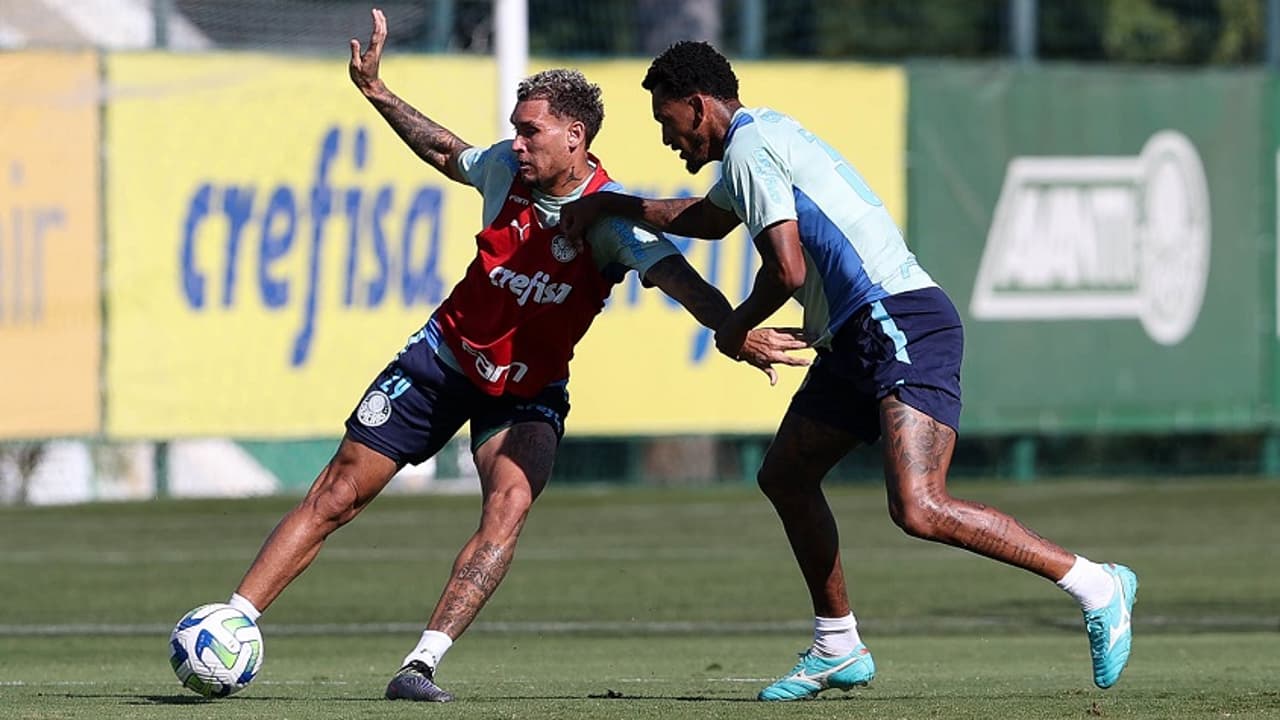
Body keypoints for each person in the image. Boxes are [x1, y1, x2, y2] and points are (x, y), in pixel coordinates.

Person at [219, 16, 807, 704]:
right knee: (339, 493)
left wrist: (738, 332)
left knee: (509, 505)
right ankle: (231, 621)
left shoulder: (609, 220)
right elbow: (447, 152)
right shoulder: (504, 167)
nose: (517, 142)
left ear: (574, 138)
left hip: (527, 390)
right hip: (443, 358)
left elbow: (679, 280)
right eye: (517, 129)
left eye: (531, 131)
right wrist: (376, 91)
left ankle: (421, 665)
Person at [561, 40, 1139, 701]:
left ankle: (1097, 584)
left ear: (697, 106)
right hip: (855, 336)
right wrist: (612, 204)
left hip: (897, 321)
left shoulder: (751, 149)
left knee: (920, 508)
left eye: (668, 122)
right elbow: (705, 219)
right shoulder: (760, 138)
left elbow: (789, 270)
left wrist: (733, 325)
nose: (668, 139)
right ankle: (837, 646)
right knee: (785, 474)